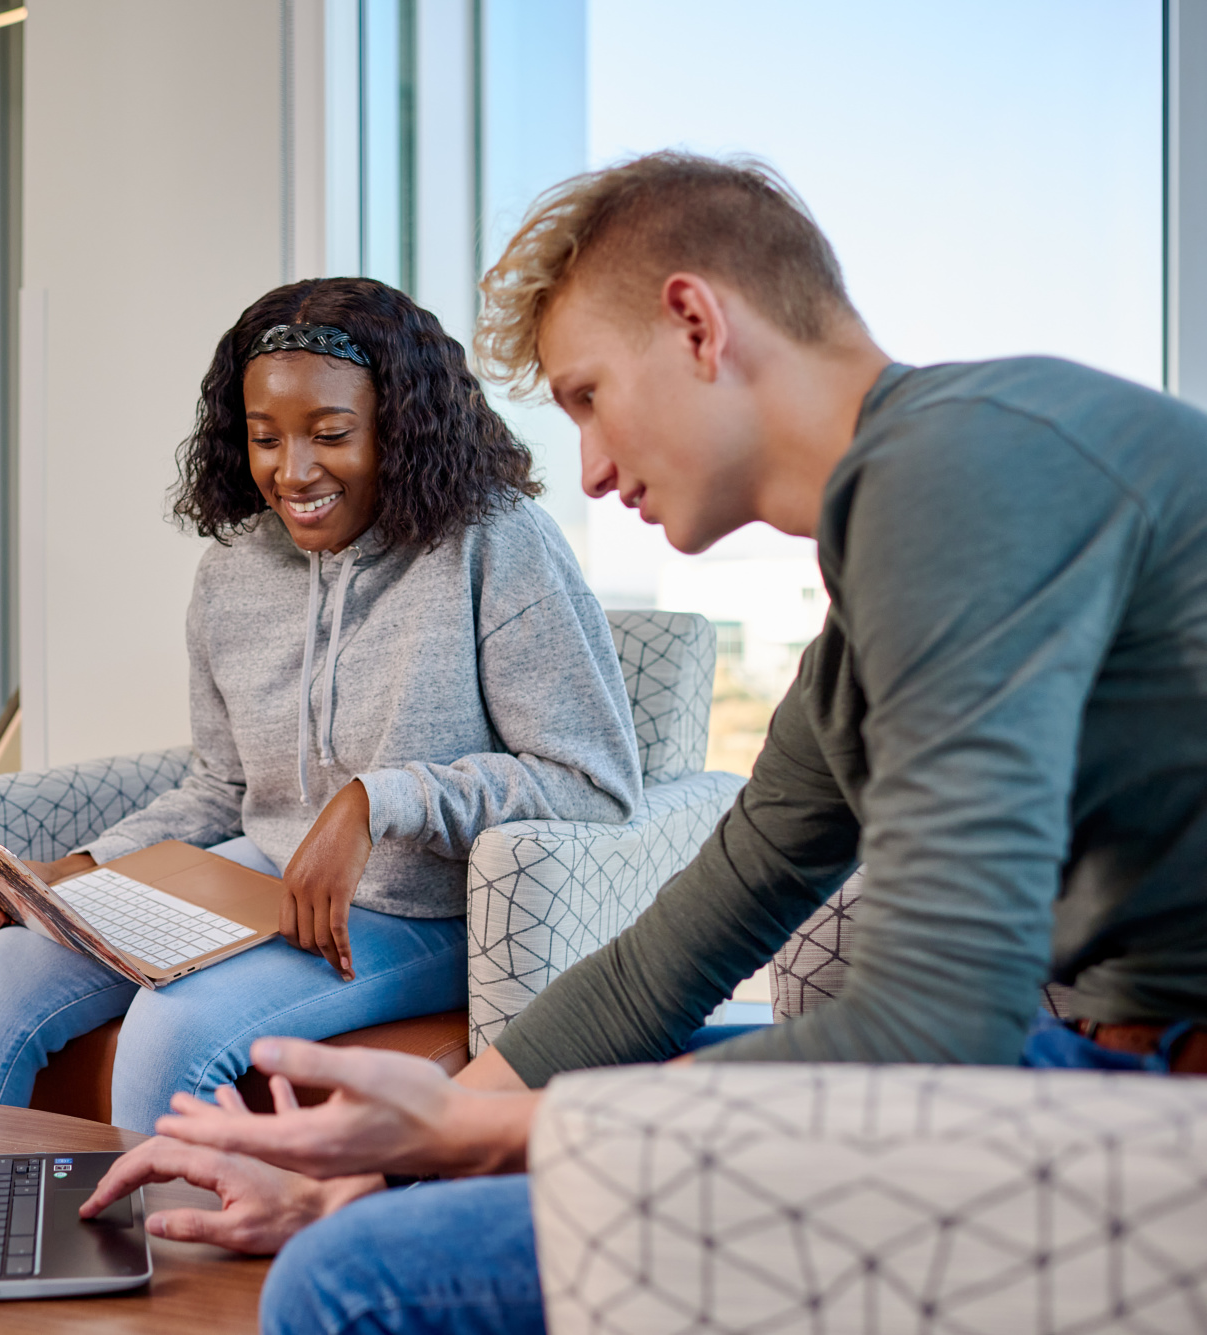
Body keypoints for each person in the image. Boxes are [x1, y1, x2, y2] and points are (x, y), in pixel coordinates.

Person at [71, 152, 1207, 1333]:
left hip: (1147, 1096)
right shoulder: (893, 565)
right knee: (375, 1218)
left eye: (585, 397)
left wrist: (491, 1131)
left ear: (693, 324)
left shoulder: (965, 474)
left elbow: (933, 1022)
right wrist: (384, 1163)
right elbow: (696, 931)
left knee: (347, 1283)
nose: (593, 469)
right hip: (1075, 1050)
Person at [0, 277, 644, 1134]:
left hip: (426, 915)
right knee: (1, 972)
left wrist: (378, 801)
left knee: (171, 1027)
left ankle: (159, 1266)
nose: (292, 473)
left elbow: (592, 784)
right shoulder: (234, 571)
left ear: (398, 429)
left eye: (330, 434)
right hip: (258, 880)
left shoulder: (498, 543)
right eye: (265, 439)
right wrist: (83, 869)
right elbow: (221, 788)